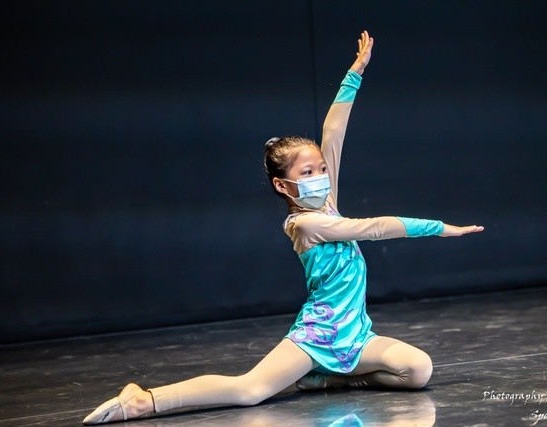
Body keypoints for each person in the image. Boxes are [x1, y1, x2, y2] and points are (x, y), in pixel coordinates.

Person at [83, 30, 483, 425]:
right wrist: (438, 228)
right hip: (319, 334)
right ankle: (145, 400)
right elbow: (373, 228)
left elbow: (333, 133)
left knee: (418, 369)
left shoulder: (326, 203)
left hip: (357, 335)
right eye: (307, 172)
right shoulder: (305, 223)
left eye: (322, 169)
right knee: (249, 390)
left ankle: (330, 381)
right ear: (282, 185)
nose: (321, 175)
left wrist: (355, 73)